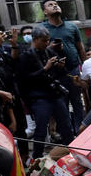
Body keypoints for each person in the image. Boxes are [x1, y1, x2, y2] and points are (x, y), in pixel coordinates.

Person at [17, 27, 74, 158]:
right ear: (35, 39)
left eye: (48, 40)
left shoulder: (49, 52)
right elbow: (25, 79)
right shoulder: (26, 55)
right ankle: (36, 158)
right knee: (41, 130)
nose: (47, 43)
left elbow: (60, 73)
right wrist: (45, 68)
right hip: (39, 98)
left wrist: (60, 67)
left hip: (55, 94)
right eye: (44, 41)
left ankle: (73, 153)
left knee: (66, 126)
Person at [39, 0, 87, 127]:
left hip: (73, 70)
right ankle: (67, 133)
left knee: (77, 101)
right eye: (50, 5)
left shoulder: (71, 26)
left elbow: (80, 48)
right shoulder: (41, 29)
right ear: (45, 12)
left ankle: (79, 130)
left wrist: (86, 67)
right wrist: (51, 48)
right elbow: (37, 51)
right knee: (61, 104)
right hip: (54, 73)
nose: (55, 6)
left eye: (56, 4)